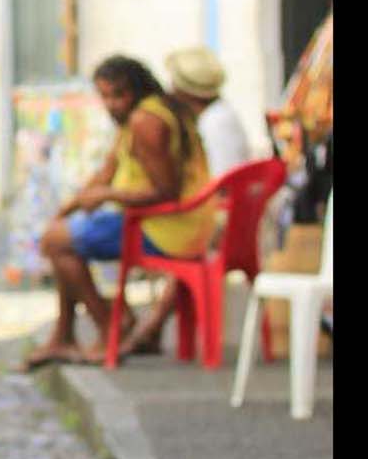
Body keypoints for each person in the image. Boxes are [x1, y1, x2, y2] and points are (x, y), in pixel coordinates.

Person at [22, 54, 212, 370]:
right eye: (105, 97)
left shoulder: (146, 122)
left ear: (136, 90)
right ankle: (65, 334)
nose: (111, 105)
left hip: (167, 228)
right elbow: (106, 171)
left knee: (56, 243)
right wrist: (67, 209)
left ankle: (110, 324)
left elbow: (165, 191)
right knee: (57, 236)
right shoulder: (135, 118)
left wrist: (106, 196)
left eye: (118, 96)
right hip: (167, 222)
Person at [107, 47, 254, 357]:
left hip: (218, 220)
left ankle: (147, 328)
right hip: (221, 217)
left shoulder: (213, 123)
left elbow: (218, 183)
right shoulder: (215, 116)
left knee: (179, 246)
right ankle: (151, 328)